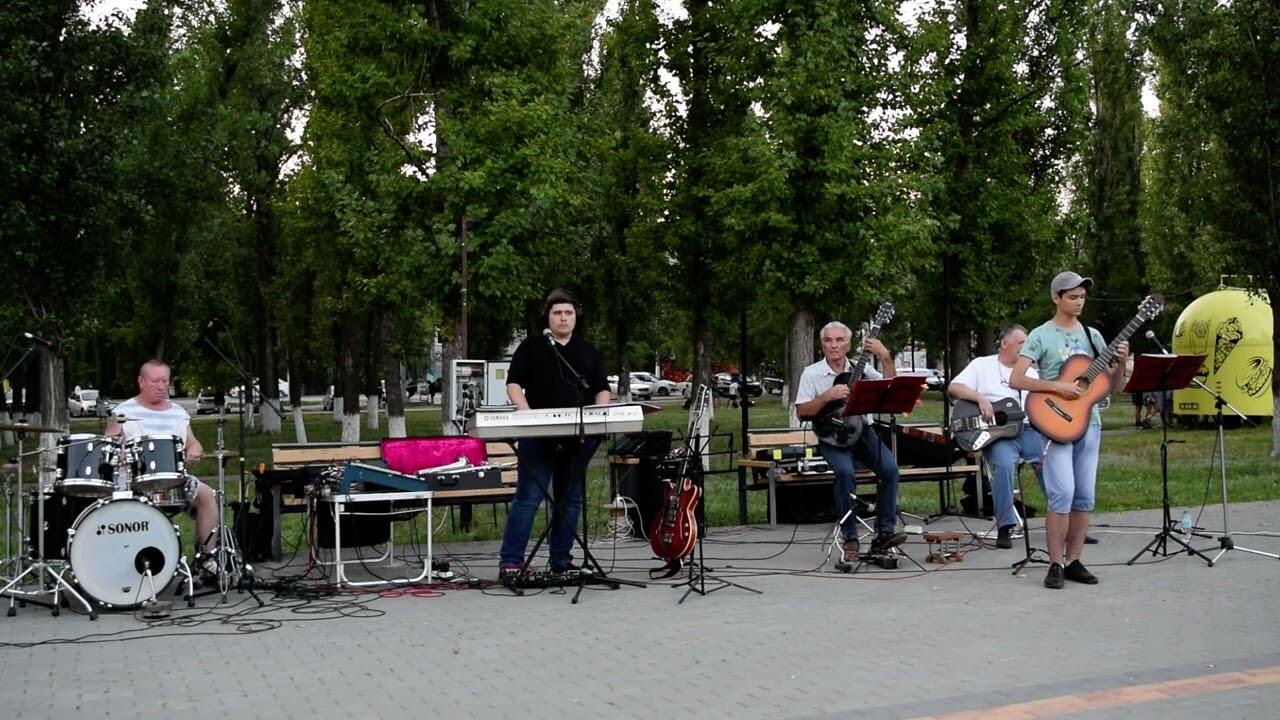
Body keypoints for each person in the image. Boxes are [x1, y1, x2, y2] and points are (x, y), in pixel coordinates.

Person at [1010, 271, 1128, 589]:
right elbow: (1017, 379)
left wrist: (1122, 363)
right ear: (1056, 298)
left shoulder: (1092, 336)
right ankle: (1055, 563)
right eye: (1073, 297)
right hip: (1055, 422)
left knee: (1084, 496)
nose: (1079, 302)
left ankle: (1075, 561)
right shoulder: (1040, 335)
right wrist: (1058, 386)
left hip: (1089, 423)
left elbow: (1114, 387)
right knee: (1061, 493)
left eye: (1083, 297)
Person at [497, 288, 611, 579]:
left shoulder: (587, 351)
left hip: (578, 436)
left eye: (568, 313)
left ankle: (561, 561)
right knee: (528, 497)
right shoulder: (532, 347)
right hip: (538, 435)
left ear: (576, 317)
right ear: (548, 317)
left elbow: (602, 388)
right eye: (557, 313)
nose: (563, 318)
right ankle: (511, 562)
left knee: (570, 500)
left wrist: (598, 415)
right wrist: (526, 412)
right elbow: (513, 384)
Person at [794, 321, 906, 562]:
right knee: (845, 473)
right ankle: (850, 537)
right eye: (828, 340)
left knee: (890, 470)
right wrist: (826, 396)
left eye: (839, 340)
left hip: (863, 431)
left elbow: (889, 387)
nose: (834, 345)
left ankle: (885, 534)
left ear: (848, 344)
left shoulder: (860, 367)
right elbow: (802, 412)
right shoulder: (811, 373)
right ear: (822, 345)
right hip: (832, 435)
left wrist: (885, 356)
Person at [106, 359, 219, 579]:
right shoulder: (122, 412)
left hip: (176, 479)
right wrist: (120, 453)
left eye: (165, 381)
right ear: (141, 382)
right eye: (155, 381)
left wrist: (194, 450)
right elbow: (108, 448)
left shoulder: (178, 412)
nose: (161, 386)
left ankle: (206, 559)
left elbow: (193, 442)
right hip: (134, 482)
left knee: (207, 494)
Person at [947, 324, 1045, 549]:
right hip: (998, 434)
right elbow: (954, 387)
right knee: (1004, 464)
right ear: (1004, 343)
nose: (1025, 348)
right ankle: (1005, 526)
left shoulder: (1031, 373)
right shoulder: (982, 365)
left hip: (1028, 430)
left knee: (1050, 463)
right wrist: (981, 399)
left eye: (1027, 344)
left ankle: (1064, 521)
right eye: (1021, 343)